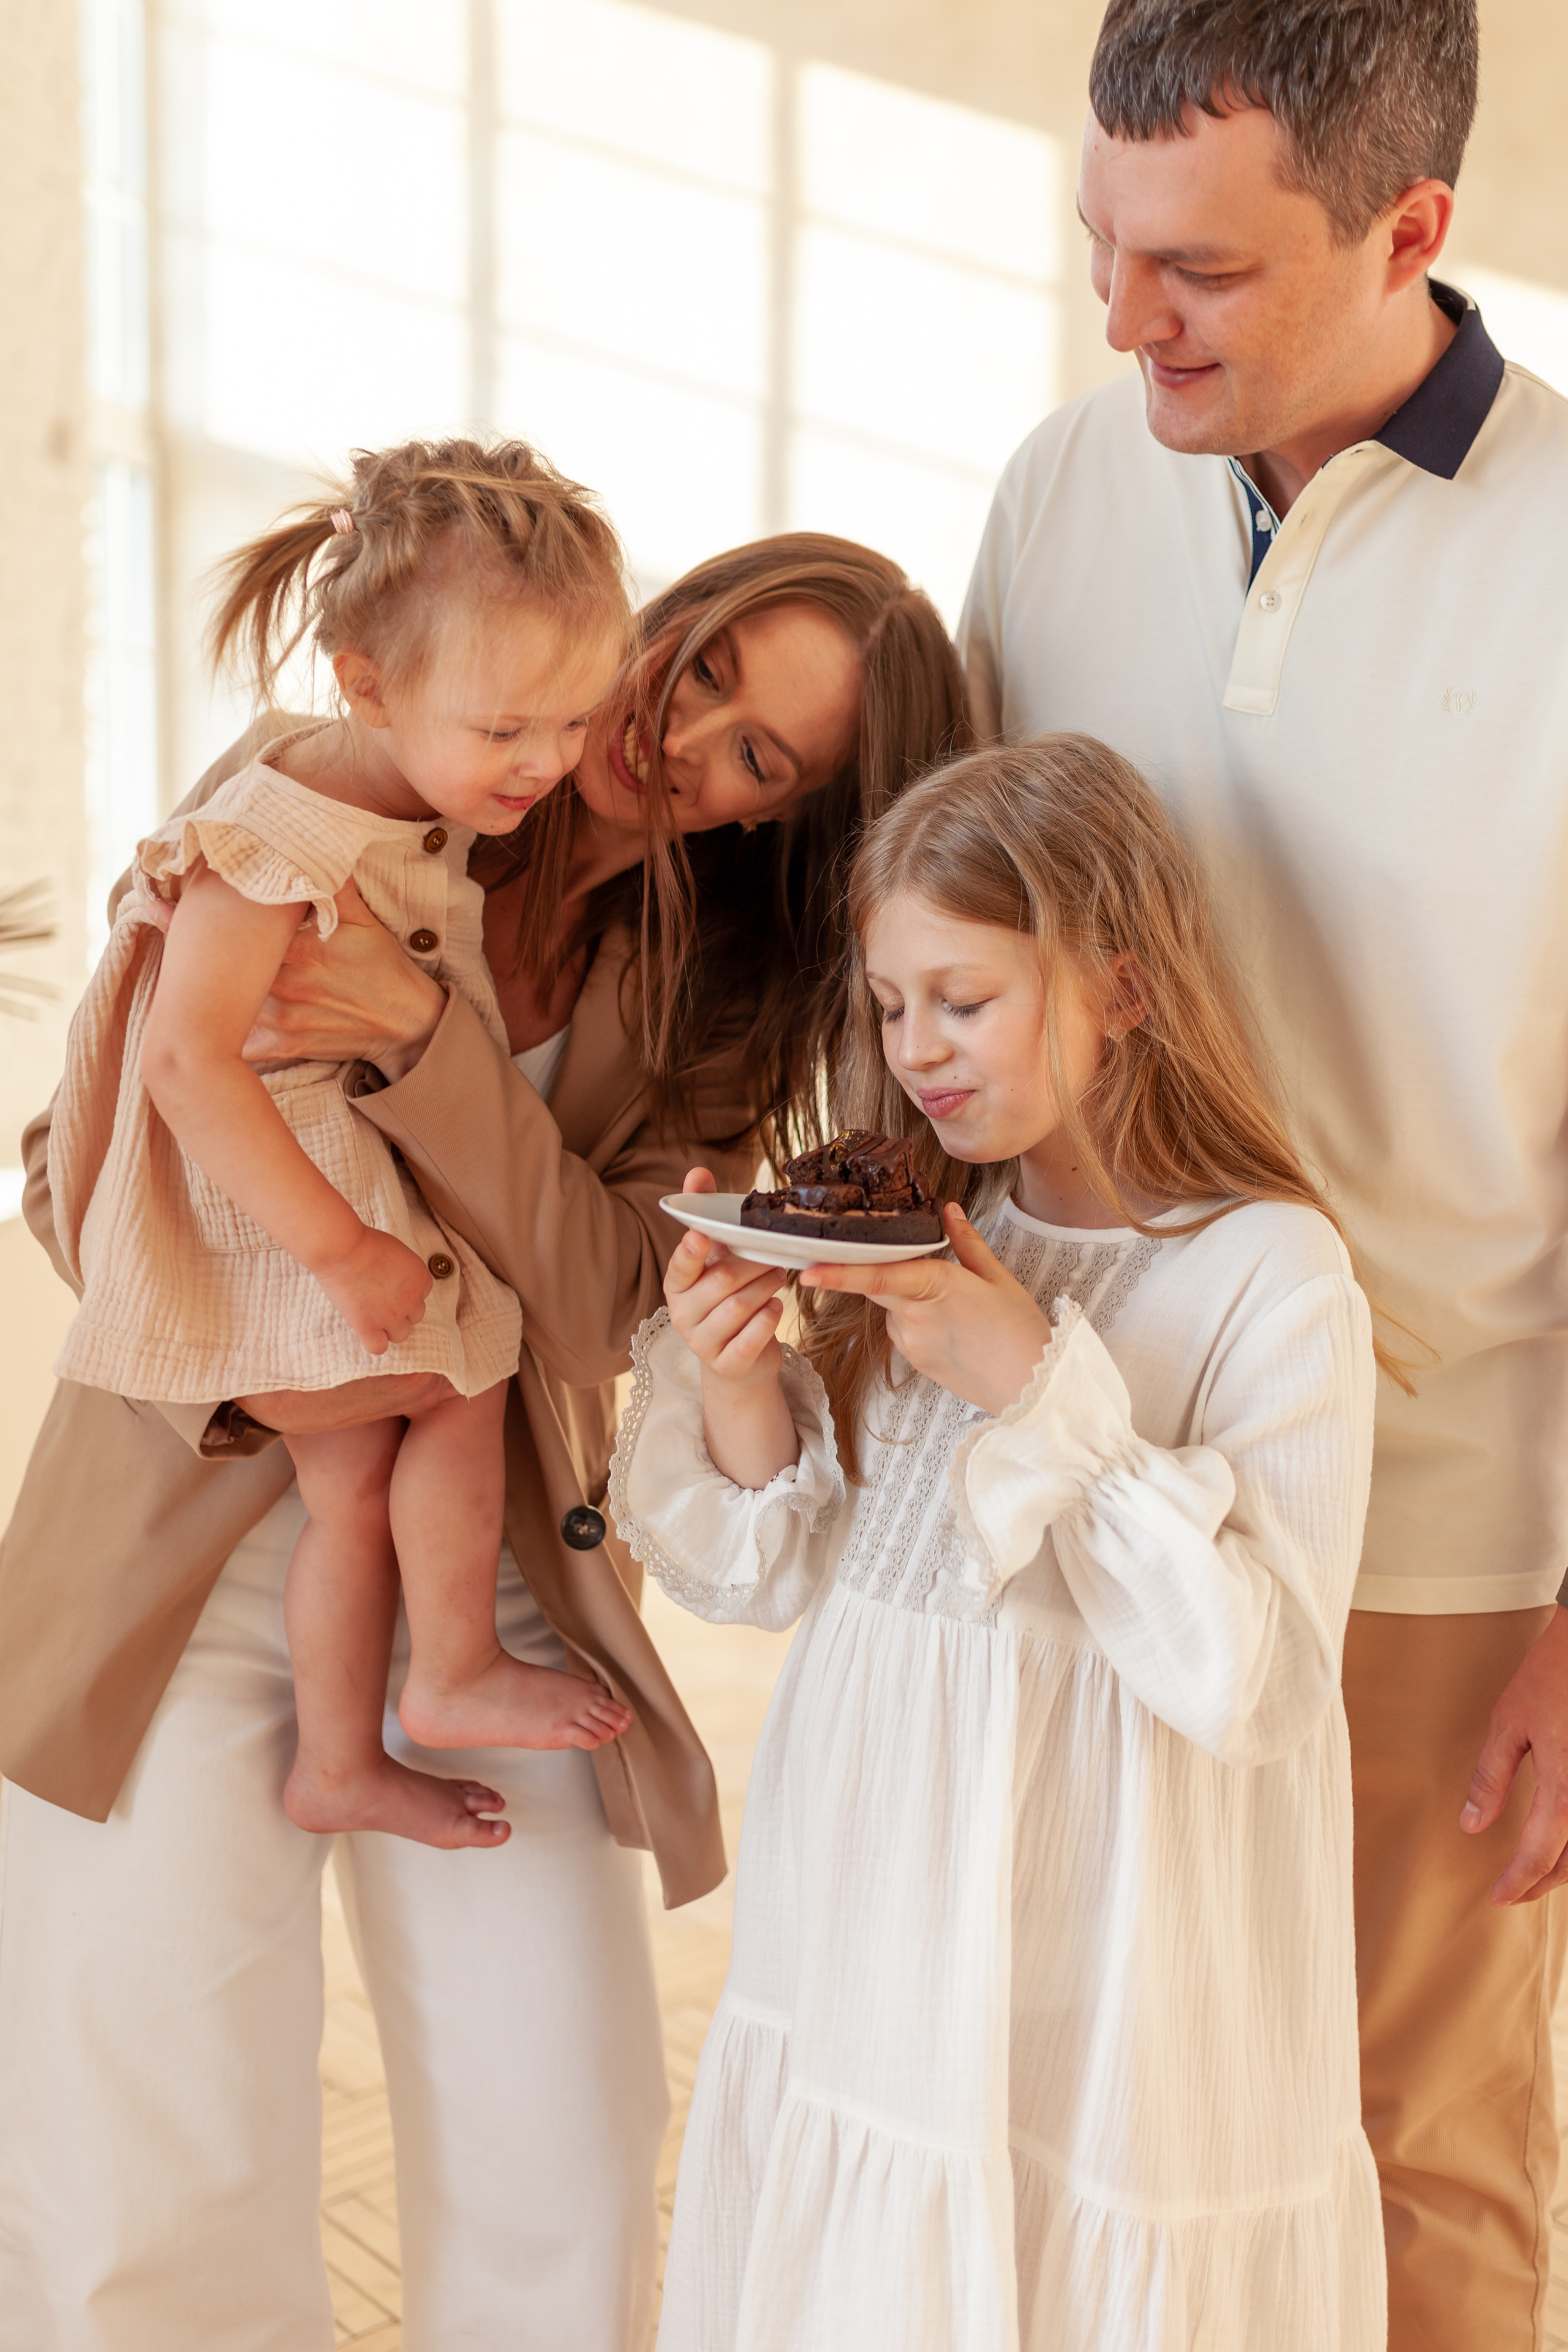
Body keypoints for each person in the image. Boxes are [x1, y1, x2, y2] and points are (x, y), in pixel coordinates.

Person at [0, 530, 970, 2351]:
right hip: (189, 1549)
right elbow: (79, 1163)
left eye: (761, 757)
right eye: (703, 668)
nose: (687, 742)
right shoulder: (321, 790)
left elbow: (611, 1290)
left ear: (791, 816)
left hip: (485, 1579)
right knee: (150, 2169)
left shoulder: (716, 996)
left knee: (569, 2153)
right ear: (661, 621)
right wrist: (291, 1366)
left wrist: (421, 1041)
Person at [957, 4, 1568, 2344]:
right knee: (1083, 2108)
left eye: (1196, 269)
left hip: (1428, 1529)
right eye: (1100, 243)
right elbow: (956, 936)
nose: (1124, 322)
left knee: (1412, 2139)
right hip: (1071, 1454)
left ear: (1412, 226)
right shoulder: (1061, 486)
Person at [612, 736, 1387, 2351]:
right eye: (893, 1009)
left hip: (1105, 1953)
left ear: (1127, 987)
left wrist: (1035, 1379)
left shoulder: (1270, 1274)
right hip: (873, 1911)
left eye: (962, 1001)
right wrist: (740, 1376)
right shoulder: (925, 1220)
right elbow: (789, 1570)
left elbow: (1259, 1682)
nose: (919, 1054)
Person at [51, 439, 637, 1850]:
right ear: (364, 684)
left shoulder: (384, 798)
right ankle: (445, 1671)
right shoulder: (273, 831)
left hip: (296, 1203)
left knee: (353, 1486)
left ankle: (339, 1763)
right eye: (507, 731)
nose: (550, 766)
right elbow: (186, 1062)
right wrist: (346, 1250)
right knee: (456, 1373)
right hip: (268, 1223)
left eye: (572, 723)